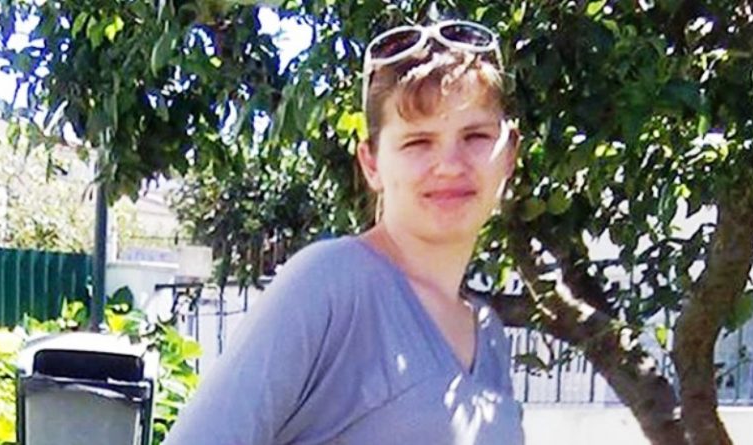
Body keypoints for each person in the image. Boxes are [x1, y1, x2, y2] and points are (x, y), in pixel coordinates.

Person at [163, 19, 524, 445]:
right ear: (371, 164)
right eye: (418, 142)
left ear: (510, 153)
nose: (449, 165)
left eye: (476, 136)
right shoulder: (330, 284)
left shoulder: (488, 333)